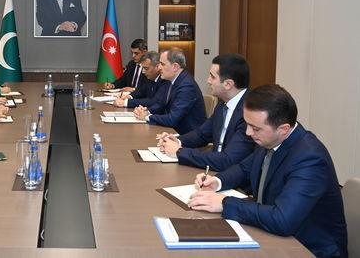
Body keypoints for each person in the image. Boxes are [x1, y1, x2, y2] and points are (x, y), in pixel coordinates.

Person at [188, 84, 347, 258]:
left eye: (255, 128)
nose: (248, 132)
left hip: (308, 248)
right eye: (247, 124)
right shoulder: (270, 138)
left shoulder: (310, 159)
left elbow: (282, 220)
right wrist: (217, 181)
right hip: (272, 236)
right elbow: (244, 168)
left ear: (283, 129)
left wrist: (225, 203)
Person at [157, 53, 255, 171]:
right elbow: (201, 134)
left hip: (230, 176)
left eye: (212, 77)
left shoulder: (250, 113)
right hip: (213, 169)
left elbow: (228, 160)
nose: (208, 81)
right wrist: (177, 140)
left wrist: (179, 152)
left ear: (228, 84)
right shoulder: (223, 104)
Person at [133, 47, 206, 134]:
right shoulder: (171, 80)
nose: (159, 67)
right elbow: (160, 104)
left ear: (175, 67)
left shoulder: (187, 86)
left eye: (162, 64)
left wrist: (147, 117)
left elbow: (172, 119)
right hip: (172, 130)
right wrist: (147, 111)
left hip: (187, 135)